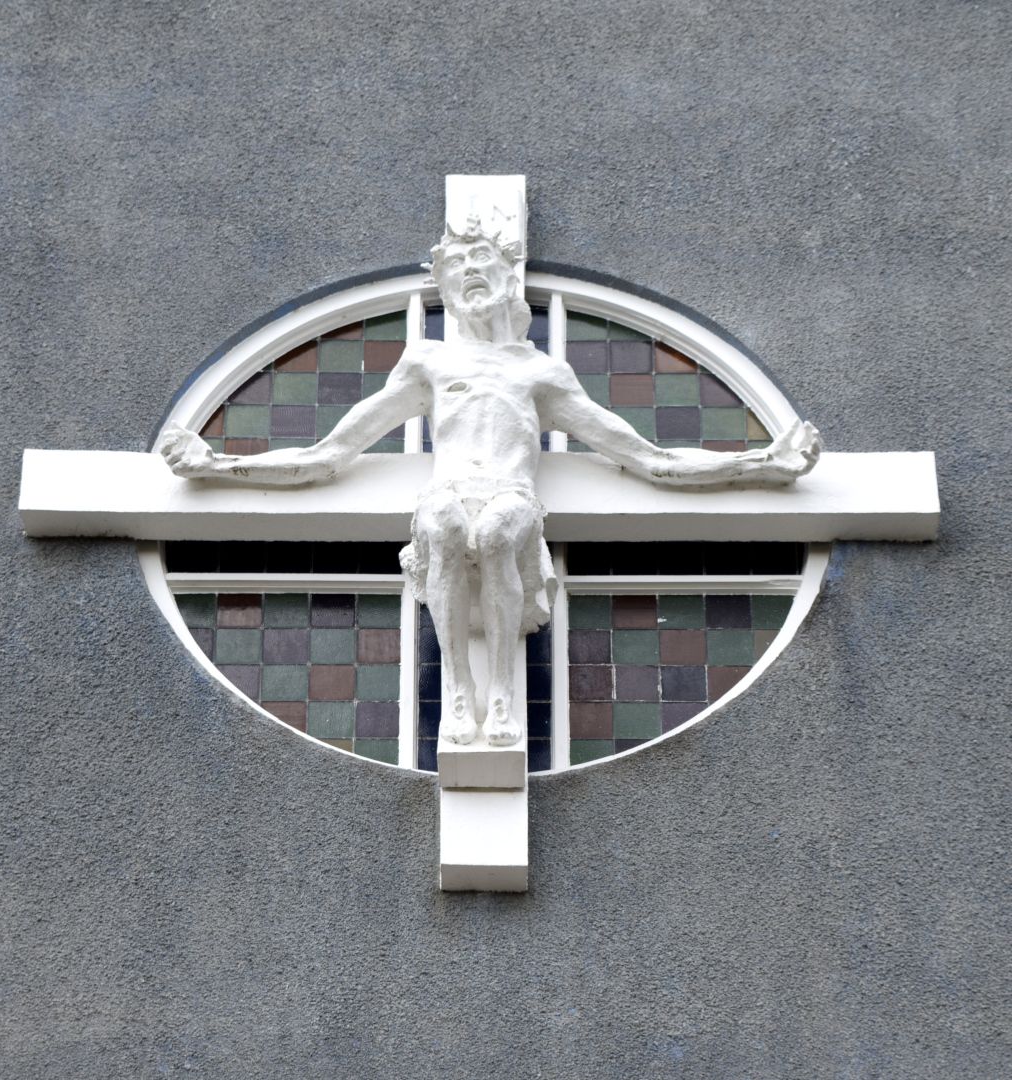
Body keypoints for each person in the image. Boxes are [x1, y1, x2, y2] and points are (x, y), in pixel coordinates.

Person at [160, 219, 821, 748]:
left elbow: (648, 458)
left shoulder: (542, 374)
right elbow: (328, 453)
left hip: (511, 497)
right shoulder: (427, 362)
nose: (470, 272)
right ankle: (458, 692)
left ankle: (501, 691)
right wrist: (216, 466)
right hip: (447, 496)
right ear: (447, 290)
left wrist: (763, 462)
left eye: (482, 262)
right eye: (457, 267)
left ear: (511, 279)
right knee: (446, 524)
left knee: (501, 528)